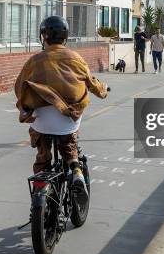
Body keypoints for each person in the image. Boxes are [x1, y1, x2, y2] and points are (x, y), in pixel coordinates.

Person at [15, 16, 108, 203]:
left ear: (44, 37)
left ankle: (41, 186)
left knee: (42, 153)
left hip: (42, 122)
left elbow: (19, 88)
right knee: (69, 143)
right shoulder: (75, 58)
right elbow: (93, 85)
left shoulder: (35, 60)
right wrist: (103, 91)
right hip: (68, 120)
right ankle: (75, 169)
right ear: (65, 38)